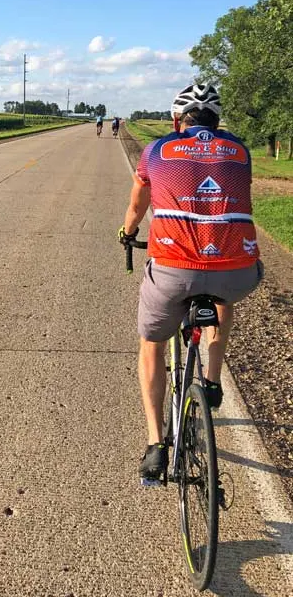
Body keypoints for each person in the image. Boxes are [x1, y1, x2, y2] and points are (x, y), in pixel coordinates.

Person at [118, 84, 263, 481]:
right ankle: (212, 381)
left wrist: (128, 234)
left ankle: (155, 445)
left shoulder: (157, 150)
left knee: (152, 344)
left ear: (175, 120)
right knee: (221, 295)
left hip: (172, 269)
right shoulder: (241, 151)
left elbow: (136, 206)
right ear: (218, 121)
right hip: (238, 273)